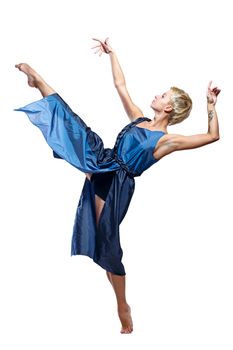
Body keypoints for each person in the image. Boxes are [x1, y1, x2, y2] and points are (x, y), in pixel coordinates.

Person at [15, 37, 220, 334]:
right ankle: (39, 80)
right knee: (73, 126)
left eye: (164, 96)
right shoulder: (139, 120)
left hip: (117, 183)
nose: (158, 96)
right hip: (103, 160)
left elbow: (212, 136)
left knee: (106, 243)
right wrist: (113, 53)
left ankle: (122, 305)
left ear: (169, 109)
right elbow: (120, 86)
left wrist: (210, 105)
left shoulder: (166, 141)